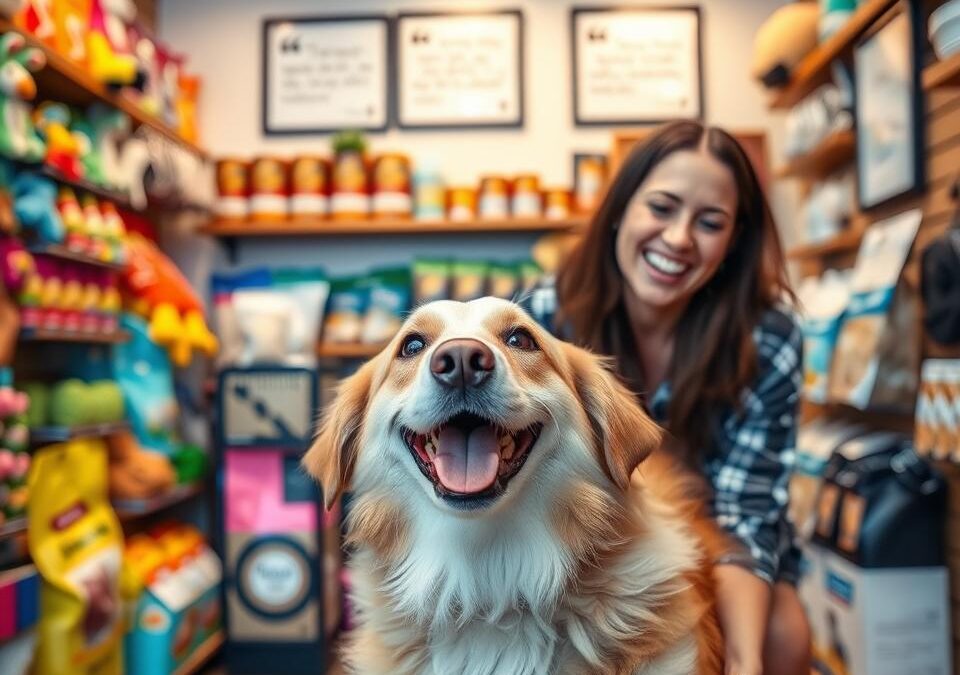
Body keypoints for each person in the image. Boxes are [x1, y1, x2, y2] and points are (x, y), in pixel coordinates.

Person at [524, 120, 811, 675]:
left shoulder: (768, 340)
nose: (679, 239)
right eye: (661, 207)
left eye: (710, 223)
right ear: (621, 211)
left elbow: (746, 513)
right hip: (579, 543)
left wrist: (744, 662)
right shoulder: (543, 322)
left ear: (733, 241)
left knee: (782, 639)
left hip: (719, 545)